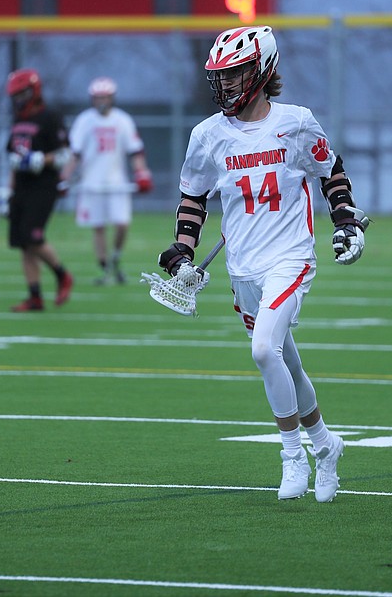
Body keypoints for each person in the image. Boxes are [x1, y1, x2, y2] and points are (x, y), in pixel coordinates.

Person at [157, 26, 369, 502]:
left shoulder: (295, 122)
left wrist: (345, 221)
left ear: (262, 69)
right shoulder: (208, 135)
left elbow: (329, 169)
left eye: (235, 72)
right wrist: (183, 249)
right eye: (221, 75)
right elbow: (193, 197)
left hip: (290, 258)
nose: (227, 83)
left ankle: (291, 454)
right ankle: (326, 445)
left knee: (261, 351)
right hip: (244, 268)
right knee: (285, 362)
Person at [61, 76, 154, 285]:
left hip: (116, 182)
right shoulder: (84, 121)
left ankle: (115, 258)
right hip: (91, 183)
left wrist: (142, 173)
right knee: (99, 227)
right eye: (97, 98)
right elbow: (74, 154)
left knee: (122, 224)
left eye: (105, 97)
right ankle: (104, 267)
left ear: (112, 98)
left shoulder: (122, 120)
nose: (101, 101)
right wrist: (64, 178)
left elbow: (135, 151)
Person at [4, 68, 74, 312]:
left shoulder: (50, 117)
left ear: (33, 91)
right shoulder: (17, 119)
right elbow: (13, 157)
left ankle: (62, 275)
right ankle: (35, 297)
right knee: (23, 242)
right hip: (21, 187)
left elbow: (65, 153)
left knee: (33, 237)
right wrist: (9, 189)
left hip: (43, 186)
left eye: (22, 93)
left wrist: (40, 160)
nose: (18, 99)